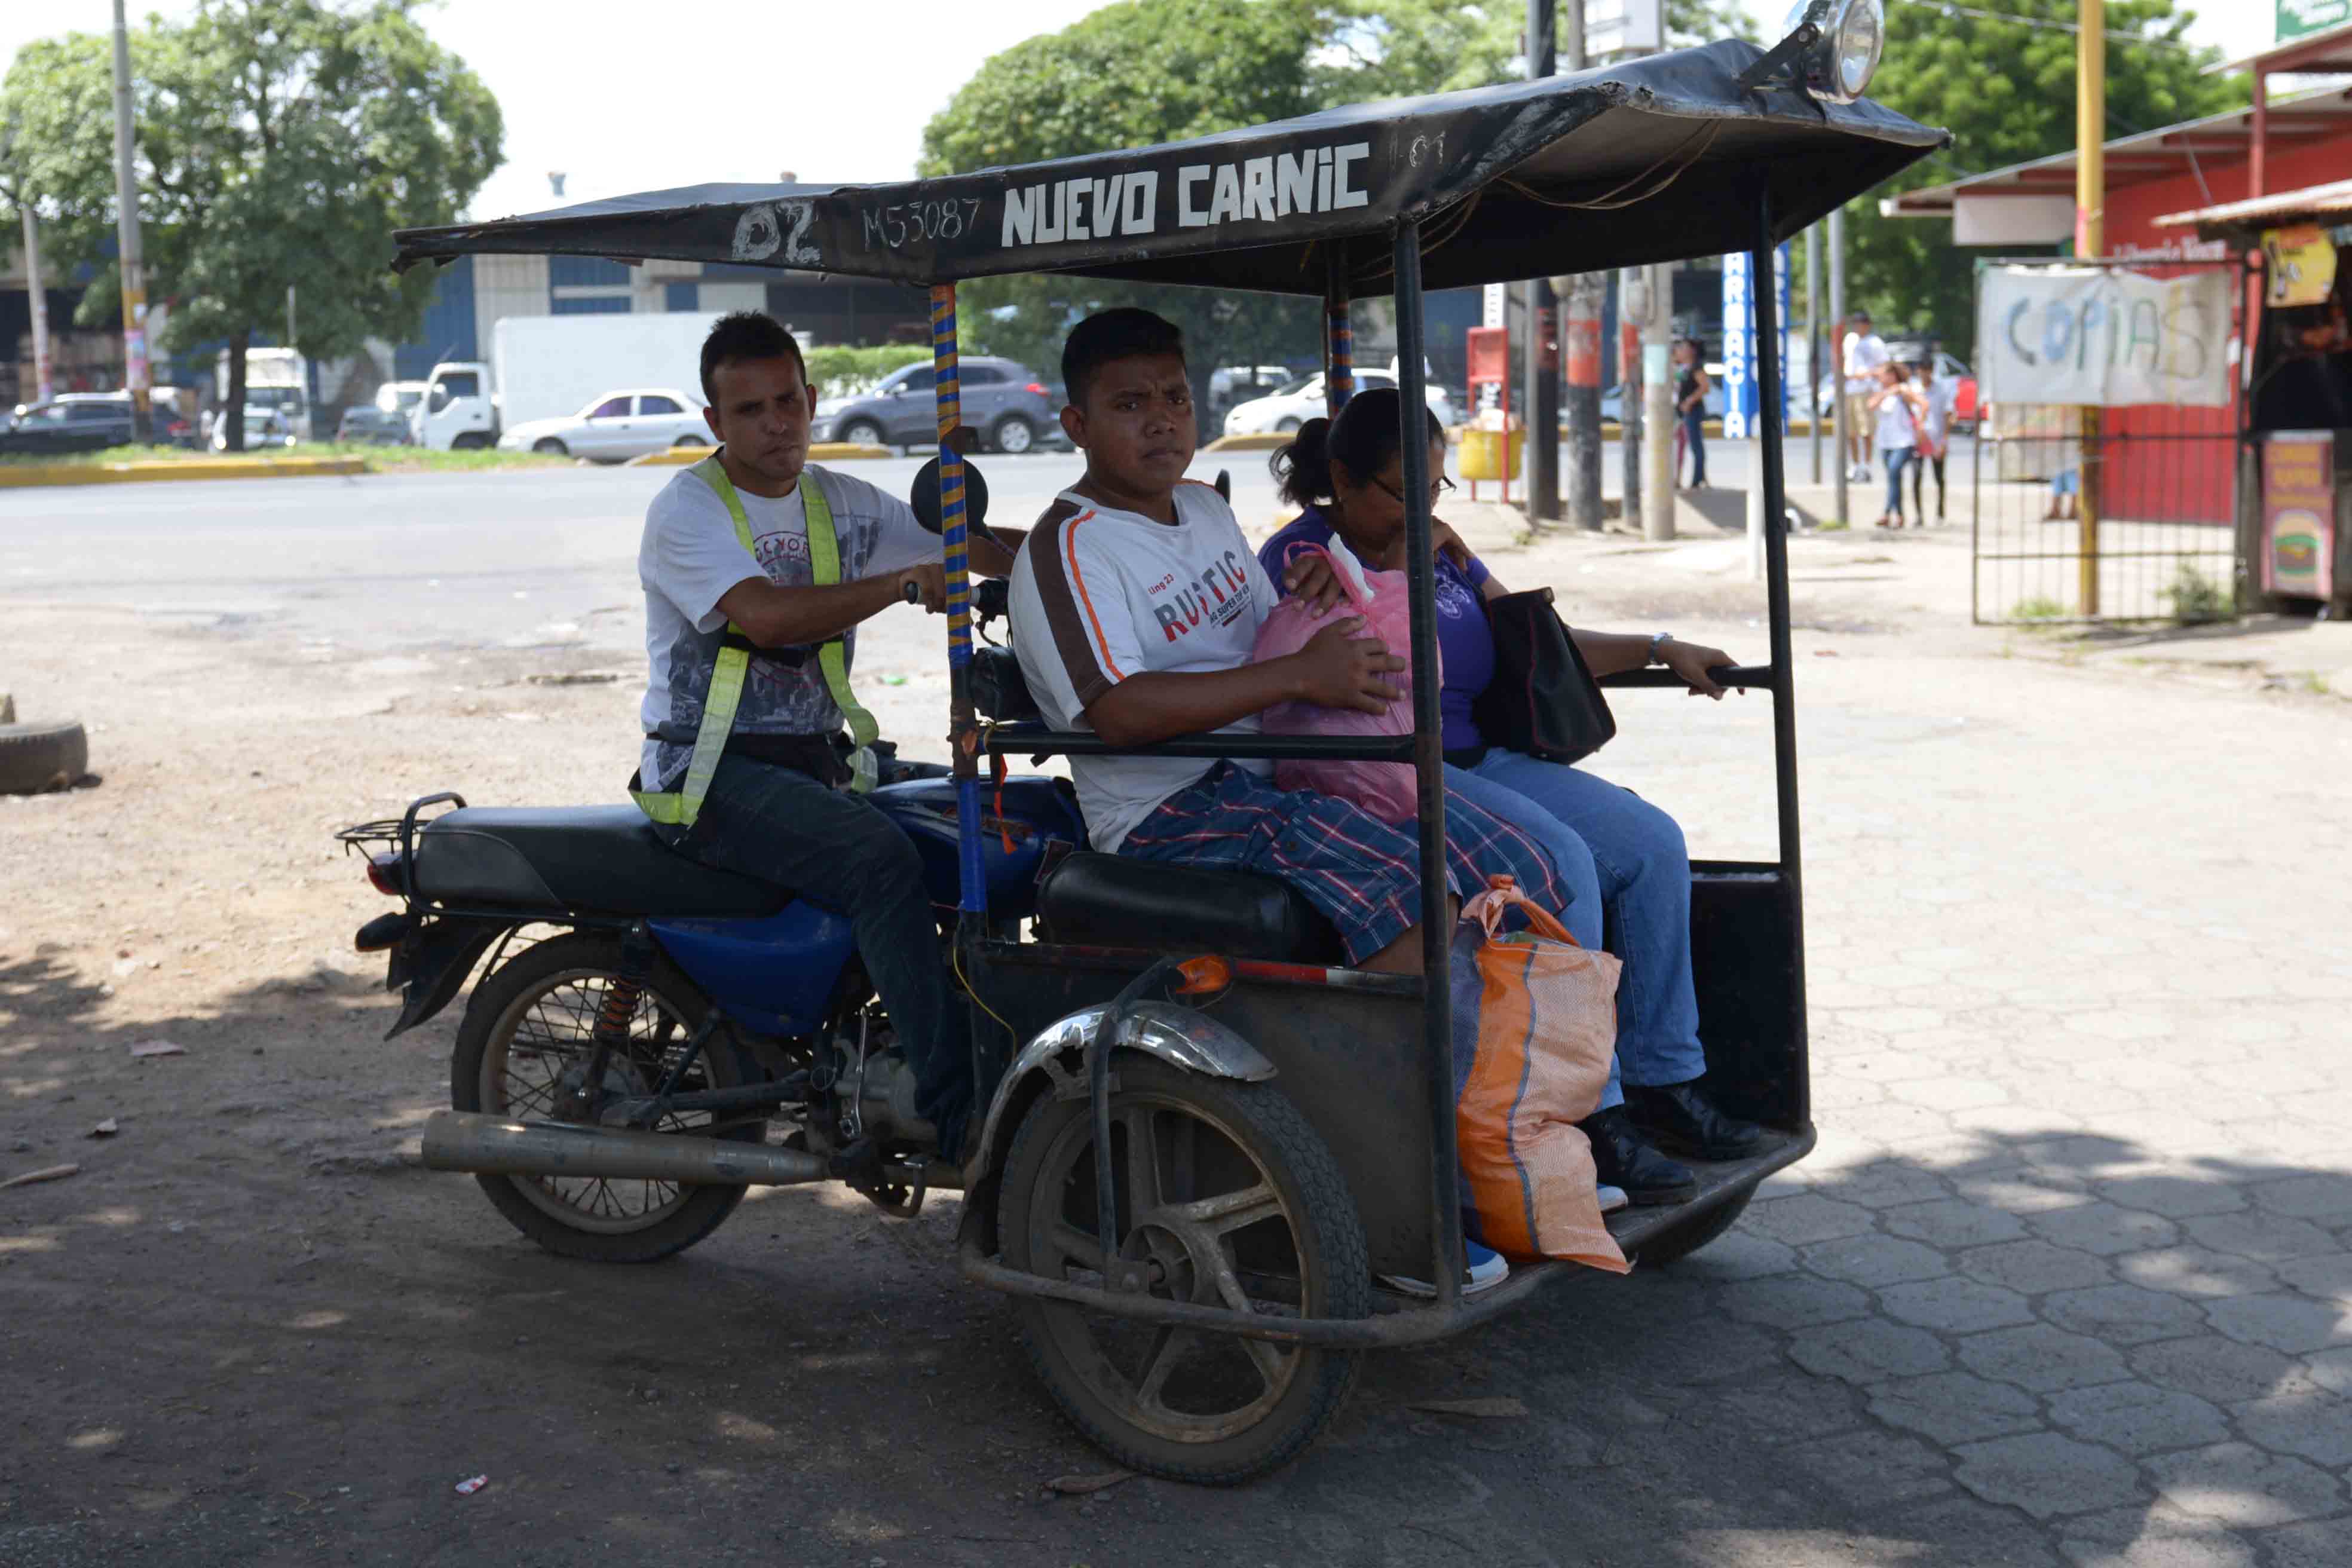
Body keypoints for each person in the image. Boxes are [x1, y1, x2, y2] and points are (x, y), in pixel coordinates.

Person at [1007, 309, 1572, 1296]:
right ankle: (1405, 1203)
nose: (1161, 422)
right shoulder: (1071, 547)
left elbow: (1259, 638)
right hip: (1173, 808)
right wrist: (1294, 677)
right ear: (1076, 422)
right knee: (1414, 899)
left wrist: (1313, 588)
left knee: (1504, 868)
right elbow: (1122, 710)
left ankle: (1504, 1141)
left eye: (1173, 398)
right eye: (1128, 404)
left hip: (1272, 768)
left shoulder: (1204, 509)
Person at [1259, 388, 1772, 1210]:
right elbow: (1300, 684)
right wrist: (1388, 571)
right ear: (1344, 480)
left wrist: (1658, 646)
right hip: (1387, 777)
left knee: (1650, 845)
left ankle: (1664, 1081)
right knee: (1563, 862)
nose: (1420, 509)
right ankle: (1594, 1118)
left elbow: (1535, 648)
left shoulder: (1445, 550)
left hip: (1484, 759)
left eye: (1433, 490)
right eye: (1401, 491)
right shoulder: (1306, 561)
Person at [634, 311, 1016, 1159]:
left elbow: (974, 547)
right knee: (877, 860)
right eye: (749, 411)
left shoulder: (838, 501)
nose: (775, 424)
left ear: (811, 400)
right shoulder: (689, 511)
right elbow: (766, 618)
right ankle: (959, 1118)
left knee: (982, 822)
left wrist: (1083, 554)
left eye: (787, 402)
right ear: (715, 424)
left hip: (816, 761)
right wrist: (901, 585)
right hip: (708, 775)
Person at [1867, 360, 1925, 529]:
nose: (1880, 376)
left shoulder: (1903, 390)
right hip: (1885, 442)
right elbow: (1870, 405)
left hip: (1904, 441)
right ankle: (1900, 515)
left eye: (1883, 373)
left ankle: (1886, 513)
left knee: (1893, 472)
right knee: (1894, 479)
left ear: (1892, 376)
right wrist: (1887, 393)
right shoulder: (1881, 392)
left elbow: (1923, 404)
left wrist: (1920, 426)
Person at [1842, 309, 1888, 481]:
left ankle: (1866, 465)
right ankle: (1854, 465)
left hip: (1865, 389)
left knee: (1866, 431)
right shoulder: (1850, 340)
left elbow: (1884, 367)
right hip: (1849, 389)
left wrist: (1866, 375)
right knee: (1850, 431)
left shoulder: (1875, 343)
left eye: (1861, 323)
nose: (1858, 327)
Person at [1909, 359, 1951, 525]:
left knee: (1939, 478)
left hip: (1936, 439)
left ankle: (1940, 513)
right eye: (1922, 370)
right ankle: (1919, 515)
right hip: (1919, 439)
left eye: (1927, 370)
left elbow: (1949, 416)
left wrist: (1944, 441)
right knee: (1916, 477)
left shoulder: (1941, 390)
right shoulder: (1914, 390)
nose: (1924, 374)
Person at [1673, 339, 1710, 490]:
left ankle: (1698, 479)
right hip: (1682, 412)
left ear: (1692, 351)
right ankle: (1699, 478)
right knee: (1682, 445)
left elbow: (1705, 387)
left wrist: (1689, 401)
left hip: (1693, 411)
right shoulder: (1682, 368)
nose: (1679, 350)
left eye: (1683, 348)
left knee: (1696, 445)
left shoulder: (1696, 367)